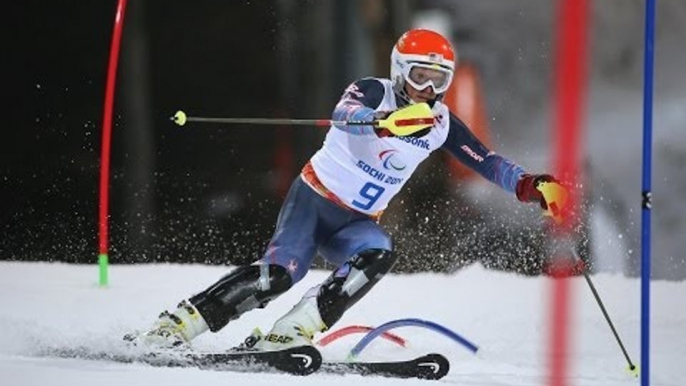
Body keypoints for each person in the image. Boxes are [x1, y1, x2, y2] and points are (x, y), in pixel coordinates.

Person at [130, 28, 562, 351]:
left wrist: (527, 185)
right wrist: (377, 120)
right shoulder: (375, 91)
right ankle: (179, 323)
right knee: (277, 277)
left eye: (438, 80)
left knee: (377, 254)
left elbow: (484, 160)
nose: (428, 89)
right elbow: (343, 112)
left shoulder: (441, 122)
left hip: (356, 223)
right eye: (419, 77)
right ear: (399, 72)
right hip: (313, 203)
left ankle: (292, 330)